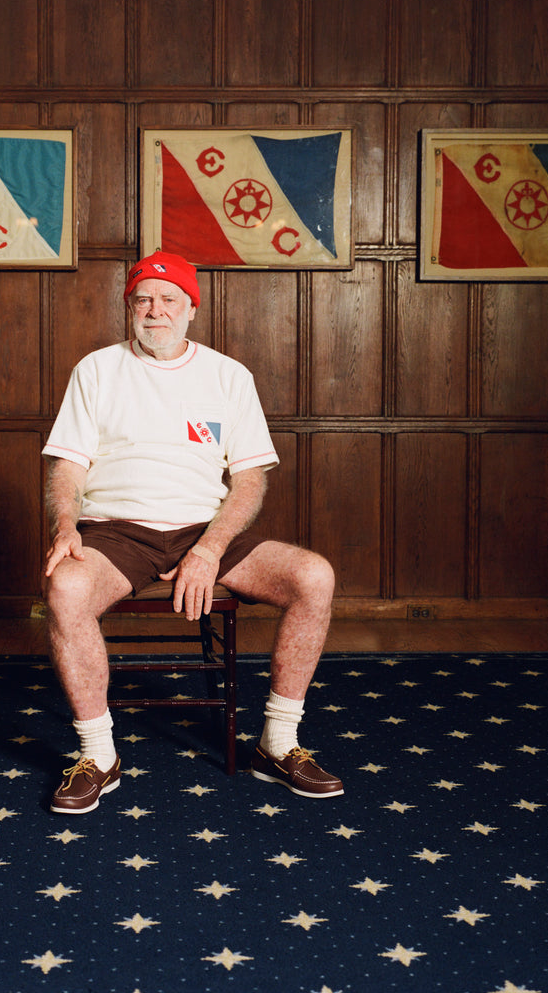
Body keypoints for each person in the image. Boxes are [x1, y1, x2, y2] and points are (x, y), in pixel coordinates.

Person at [42, 251, 343, 814]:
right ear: (129, 307)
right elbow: (68, 467)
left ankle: (278, 743)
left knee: (314, 576)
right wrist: (64, 523)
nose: (155, 311)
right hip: (116, 531)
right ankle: (98, 755)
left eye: (168, 299)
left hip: (204, 528)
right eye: (143, 300)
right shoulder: (96, 369)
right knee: (64, 587)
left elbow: (249, 483)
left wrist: (209, 548)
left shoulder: (228, 376)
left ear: (191, 308)